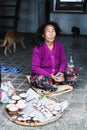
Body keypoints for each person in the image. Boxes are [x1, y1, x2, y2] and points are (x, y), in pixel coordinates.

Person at [30, 21, 67, 92]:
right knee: (41, 79)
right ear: (43, 35)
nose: (51, 34)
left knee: (72, 72)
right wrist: (50, 75)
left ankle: (55, 83)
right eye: (48, 31)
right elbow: (35, 67)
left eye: (53, 31)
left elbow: (63, 61)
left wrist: (61, 72)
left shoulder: (59, 46)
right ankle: (56, 83)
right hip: (45, 75)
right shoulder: (38, 49)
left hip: (57, 74)